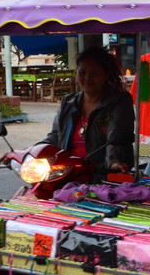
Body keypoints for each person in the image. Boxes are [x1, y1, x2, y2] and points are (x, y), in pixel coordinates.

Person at [40, 46, 135, 180]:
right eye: (82, 72)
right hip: (66, 175)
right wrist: (30, 152)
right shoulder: (68, 102)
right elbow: (55, 137)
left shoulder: (119, 101)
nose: (87, 78)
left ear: (106, 75)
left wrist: (113, 163)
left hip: (102, 176)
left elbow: (116, 137)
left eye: (94, 73)